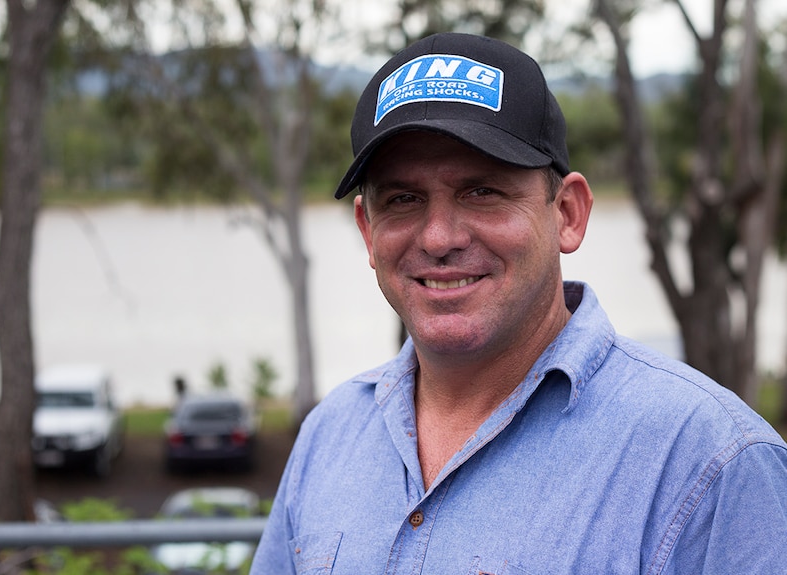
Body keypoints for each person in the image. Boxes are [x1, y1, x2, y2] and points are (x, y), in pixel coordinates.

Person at [250, 33, 787, 574]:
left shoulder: (711, 463)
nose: (438, 238)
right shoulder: (329, 437)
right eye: (403, 199)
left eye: (482, 191)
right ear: (368, 232)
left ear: (568, 214)